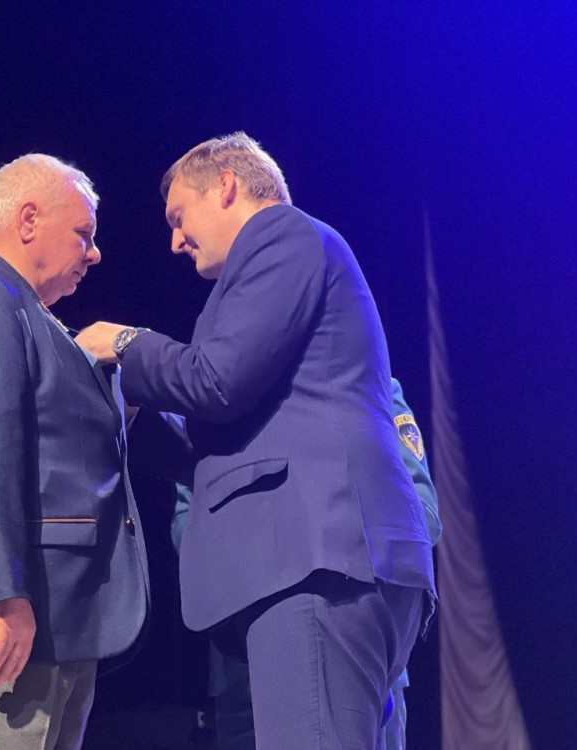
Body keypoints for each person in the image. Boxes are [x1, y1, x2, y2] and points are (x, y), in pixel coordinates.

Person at [76, 132, 437, 748]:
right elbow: (215, 444)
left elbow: (217, 380)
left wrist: (125, 343)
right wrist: (130, 411)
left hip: (318, 558)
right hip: (319, 563)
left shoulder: (279, 234)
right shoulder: (273, 270)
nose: (175, 241)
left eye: (178, 216)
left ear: (225, 186)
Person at [0, 154, 150, 750]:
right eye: (83, 234)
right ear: (29, 219)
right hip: (4, 628)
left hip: (57, 625)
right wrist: (5, 594)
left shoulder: (31, 317)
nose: (95, 254)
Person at [168, 378, 443, 750]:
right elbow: (187, 528)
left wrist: (328, 534)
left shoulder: (367, 380)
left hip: (358, 652)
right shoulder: (217, 400)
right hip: (244, 669)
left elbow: (421, 513)